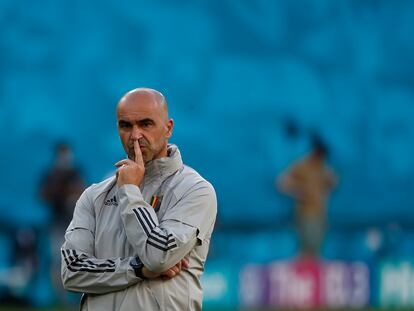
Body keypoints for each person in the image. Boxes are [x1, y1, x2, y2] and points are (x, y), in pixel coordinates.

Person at [61, 88, 217, 310]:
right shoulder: (94, 196)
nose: (135, 135)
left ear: (168, 128)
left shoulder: (195, 190)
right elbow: (72, 272)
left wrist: (130, 191)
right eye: (126, 125)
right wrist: (137, 269)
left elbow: (158, 255)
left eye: (146, 124)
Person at [277, 133, 337, 258]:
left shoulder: (323, 167)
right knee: (306, 248)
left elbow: (333, 183)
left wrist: (327, 185)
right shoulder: (302, 165)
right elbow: (281, 182)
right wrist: (301, 190)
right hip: (305, 214)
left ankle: (314, 274)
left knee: (317, 249)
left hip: (320, 214)